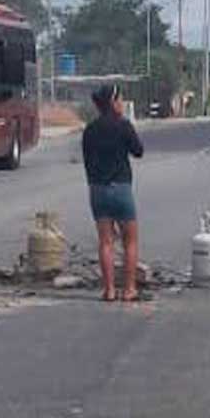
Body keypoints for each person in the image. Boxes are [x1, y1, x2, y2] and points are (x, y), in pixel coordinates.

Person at [81, 84, 144, 302]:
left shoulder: (90, 130)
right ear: (112, 102)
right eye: (120, 99)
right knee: (130, 241)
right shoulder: (123, 125)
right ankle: (129, 289)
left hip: (97, 189)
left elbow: (87, 162)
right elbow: (138, 151)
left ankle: (108, 290)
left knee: (105, 242)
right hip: (121, 188)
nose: (123, 103)